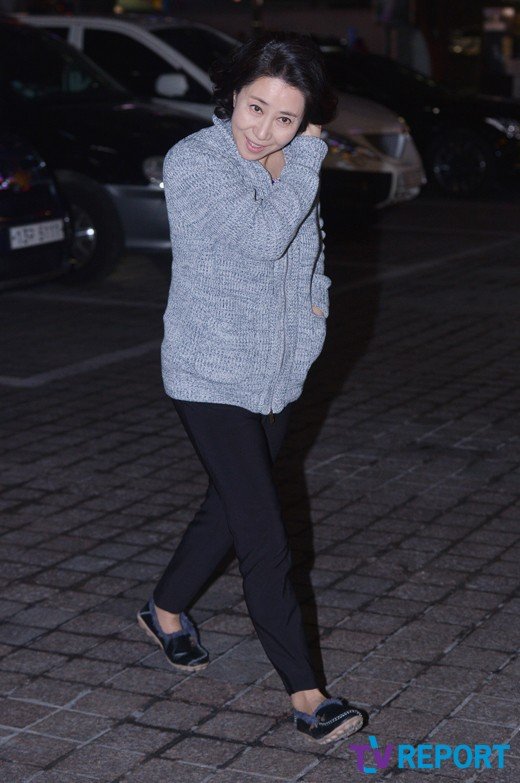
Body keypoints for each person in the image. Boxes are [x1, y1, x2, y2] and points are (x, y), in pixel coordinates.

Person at [137, 31, 366, 744]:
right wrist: (307, 158)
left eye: (286, 118)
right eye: (255, 107)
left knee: (229, 509)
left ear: (305, 120)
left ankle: (164, 609)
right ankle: (308, 696)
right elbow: (267, 237)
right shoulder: (196, 162)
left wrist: (314, 314)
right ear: (233, 94)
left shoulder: (289, 163)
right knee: (265, 534)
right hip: (209, 375)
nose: (263, 129)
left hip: (276, 374)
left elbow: (309, 251)